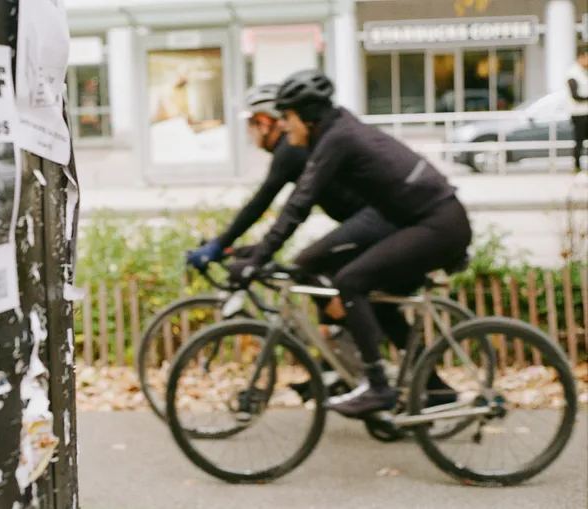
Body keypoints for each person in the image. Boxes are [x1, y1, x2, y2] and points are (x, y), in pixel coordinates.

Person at [227, 69, 472, 417]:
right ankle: (433, 389)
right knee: (380, 302)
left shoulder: (338, 139)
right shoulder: (337, 131)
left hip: (436, 226)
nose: (285, 126)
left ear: (308, 117)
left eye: (288, 118)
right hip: (428, 222)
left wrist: (258, 258)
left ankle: (377, 386)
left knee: (349, 281)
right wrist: (259, 252)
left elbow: (298, 205)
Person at [187, 84, 434, 402]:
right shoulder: (295, 151)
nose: (250, 135)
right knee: (334, 285)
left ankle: (360, 374)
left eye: (251, 126)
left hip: (376, 223)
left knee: (311, 268)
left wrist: (221, 246)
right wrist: (249, 248)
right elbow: (289, 206)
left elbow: (263, 202)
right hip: (367, 225)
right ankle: (343, 370)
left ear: (266, 122)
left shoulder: (291, 151)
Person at [567, 50, 588, 175]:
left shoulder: (584, 73)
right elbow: (575, 95)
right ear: (580, 58)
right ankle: (577, 166)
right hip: (578, 114)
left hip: (586, 112)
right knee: (579, 141)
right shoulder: (572, 74)